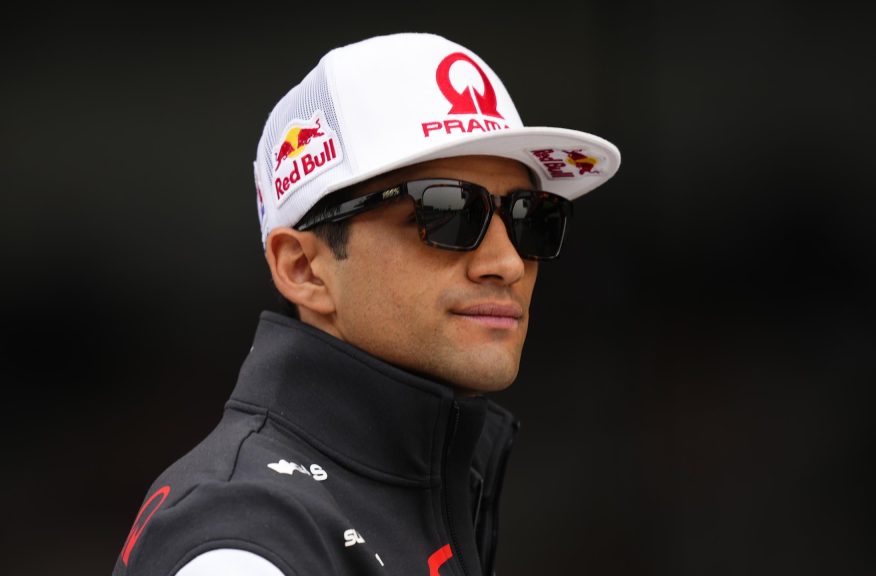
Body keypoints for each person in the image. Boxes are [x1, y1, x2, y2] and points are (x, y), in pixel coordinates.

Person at [113, 32, 620, 576]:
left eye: (530, 217)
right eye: (446, 213)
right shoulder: (246, 543)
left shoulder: (417, 495)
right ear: (303, 268)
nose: (508, 262)